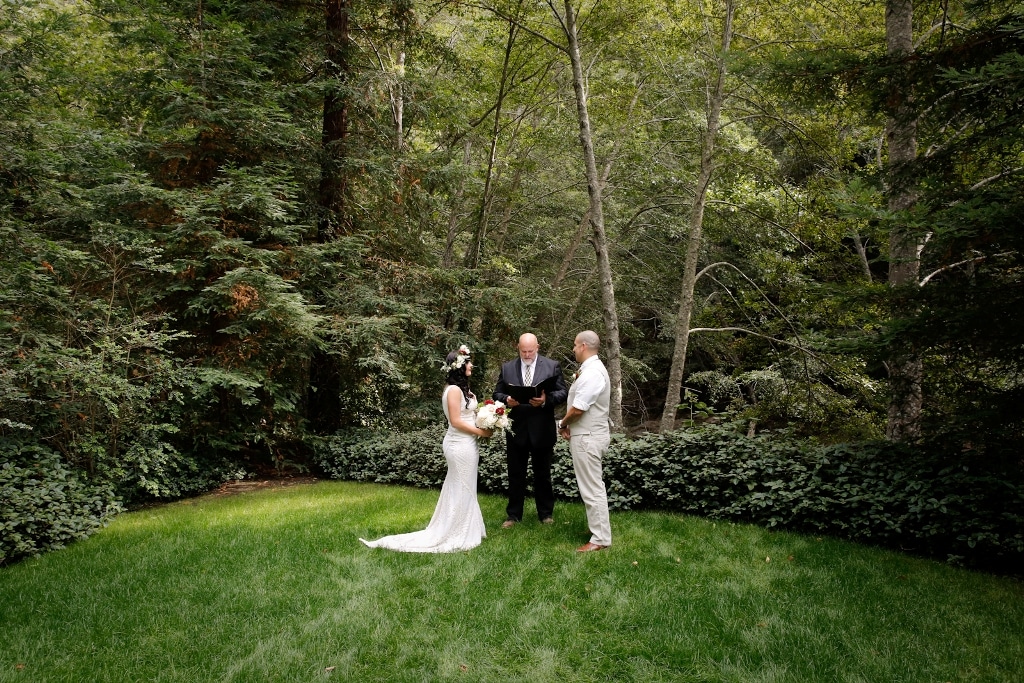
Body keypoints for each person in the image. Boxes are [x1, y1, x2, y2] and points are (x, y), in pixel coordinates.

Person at [360, 345, 492, 553]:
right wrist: (481, 432)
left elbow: (469, 415)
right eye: (468, 362)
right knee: (461, 486)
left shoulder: (464, 390)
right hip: (458, 445)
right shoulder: (453, 391)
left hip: (468, 444)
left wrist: (490, 419)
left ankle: (468, 528)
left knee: (465, 485)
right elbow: (456, 421)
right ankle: (454, 532)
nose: (471, 365)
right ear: (459, 366)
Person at [493, 333, 568, 528]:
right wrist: (507, 400)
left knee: (542, 474)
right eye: (523, 351)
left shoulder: (552, 366)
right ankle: (513, 515)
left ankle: (545, 514)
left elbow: (563, 392)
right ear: (518, 347)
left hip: (542, 429)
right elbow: (497, 392)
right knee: (515, 474)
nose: (527, 355)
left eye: (530, 351)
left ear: (538, 347)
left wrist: (545, 400)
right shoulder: (507, 367)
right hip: (516, 429)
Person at [557, 331, 612, 552]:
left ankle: (599, 539)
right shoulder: (589, 370)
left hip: (588, 437)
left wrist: (562, 424)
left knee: (592, 488)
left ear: (583, 346)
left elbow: (579, 408)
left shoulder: (593, 373)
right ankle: (598, 531)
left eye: (574, 345)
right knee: (591, 486)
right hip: (586, 434)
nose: (573, 349)